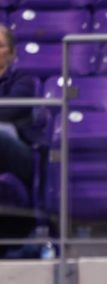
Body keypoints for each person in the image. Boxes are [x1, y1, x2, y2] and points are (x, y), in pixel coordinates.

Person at [0, 27, 35, 188]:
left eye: (0, 46)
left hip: (19, 148)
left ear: (11, 52)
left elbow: (13, 109)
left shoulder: (22, 79)